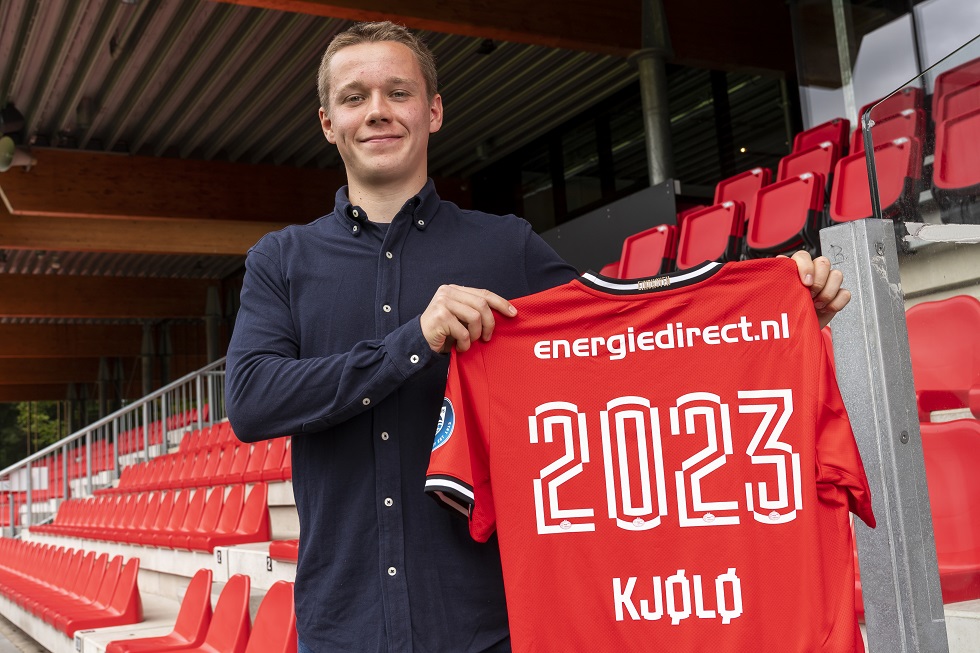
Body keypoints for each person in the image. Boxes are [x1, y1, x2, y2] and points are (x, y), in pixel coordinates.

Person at [225, 21, 851, 653]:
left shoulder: (507, 247)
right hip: (343, 628)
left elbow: (624, 349)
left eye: (399, 92)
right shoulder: (282, 260)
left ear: (433, 111)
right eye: (355, 97)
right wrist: (413, 341)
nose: (378, 111)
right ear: (328, 122)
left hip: (488, 625)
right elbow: (252, 401)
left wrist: (766, 329)